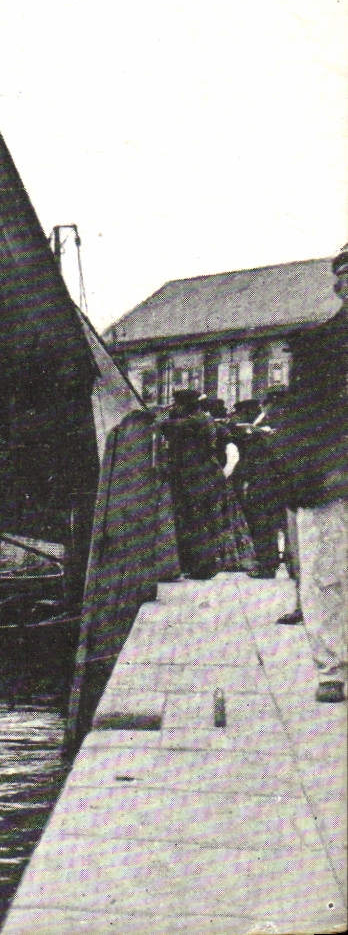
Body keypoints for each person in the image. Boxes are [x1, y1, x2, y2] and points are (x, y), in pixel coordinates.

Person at [270, 242, 347, 703]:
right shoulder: (317, 347)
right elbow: (300, 419)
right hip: (332, 478)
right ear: (339, 287)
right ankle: (332, 668)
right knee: (326, 574)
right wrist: (307, 475)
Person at [160, 389, 254, 579]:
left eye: (178, 404)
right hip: (206, 475)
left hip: (198, 477)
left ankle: (203, 567)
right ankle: (202, 565)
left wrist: (160, 415)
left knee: (199, 521)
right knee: (204, 521)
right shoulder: (204, 419)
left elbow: (165, 426)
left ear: (185, 405)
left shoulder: (195, 421)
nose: (176, 408)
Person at [231, 398, 285, 579]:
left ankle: (266, 565)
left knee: (262, 524)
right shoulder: (265, 426)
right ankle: (269, 563)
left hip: (264, 482)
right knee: (267, 525)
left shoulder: (268, 428)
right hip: (267, 481)